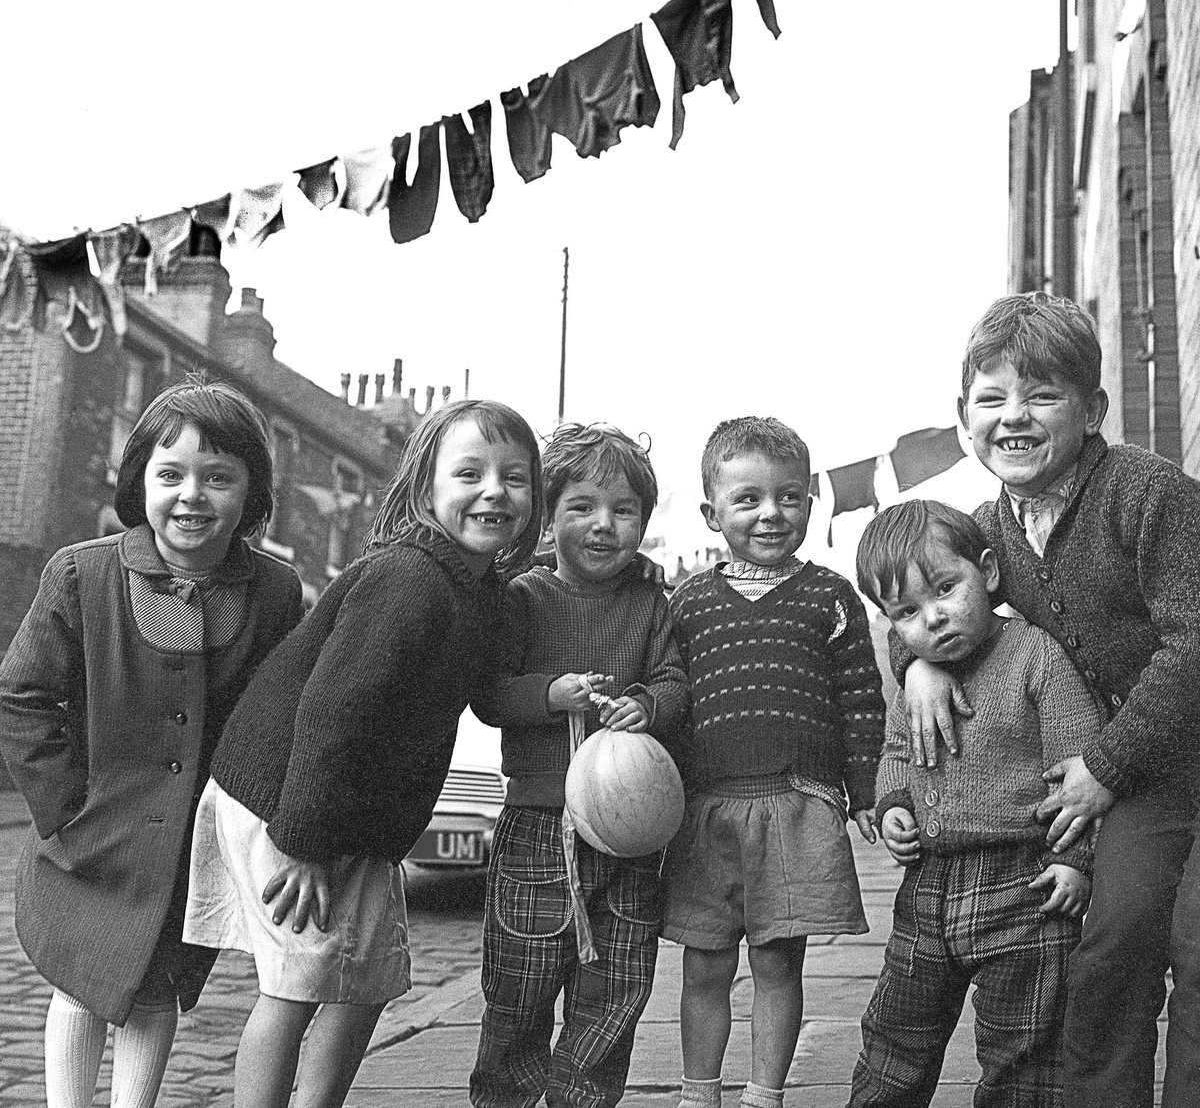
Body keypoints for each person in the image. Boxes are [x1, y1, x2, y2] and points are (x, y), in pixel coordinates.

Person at [181, 399, 542, 1108]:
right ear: (425, 489)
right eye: (469, 473)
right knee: (296, 987)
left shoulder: (476, 592)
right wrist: (304, 844)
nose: (494, 490)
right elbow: (335, 713)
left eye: (515, 477)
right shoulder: (409, 579)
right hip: (288, 799)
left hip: (346, 815)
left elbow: (491, 689)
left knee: (368, 978)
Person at [900, 291, 1200, 1108]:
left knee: (1198, 946)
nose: (1014, 417)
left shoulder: (1147, 492)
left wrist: (1104, 764)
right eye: (991, 399)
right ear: (964, 418)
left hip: (1149, 758)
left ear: (1092, 410)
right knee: (1110, 942)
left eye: (1041, 395)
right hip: (1146, 782)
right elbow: (923, 602)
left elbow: (1193, 642)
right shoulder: (986, 531)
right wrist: (917, 665)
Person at [0, 374, 304, 1108]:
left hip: (192, 843)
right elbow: (22, 694)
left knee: (156, 987)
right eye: (171, 475)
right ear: (141, 483)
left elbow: (278, 713)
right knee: (82, 979)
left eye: (218, 477)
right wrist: (64, 806)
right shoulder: (83, 573)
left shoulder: (273, 592)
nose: (192, 495)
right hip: (90, 832)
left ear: (251, 494)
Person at [662, 416, 885, 1108]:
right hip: (707, 812)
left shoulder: (830, 597)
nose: (771, 513)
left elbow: (861, 699)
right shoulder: (688, 603)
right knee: (704, 964)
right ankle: (698, 1093)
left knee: (778, 961)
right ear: (712, 513)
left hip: (798, 802)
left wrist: (866, 791)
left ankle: (765, 1095)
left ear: (810, 504)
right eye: (748, 499)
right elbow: (671, 699)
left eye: (790, 497)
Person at [849, 499, 1103, 1106]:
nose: (933, 618)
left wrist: (1075, 861)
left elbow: (1076, 768)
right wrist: (894, 806)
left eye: (945, 589)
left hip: (1026, 885)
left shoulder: (1035, 656)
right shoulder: (916, 677)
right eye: (907, 611)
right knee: (894, 1037)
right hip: (927, 885)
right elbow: (897, 749)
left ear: (987, 572)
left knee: (1024, 1049)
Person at [468, 421, 688, 1108]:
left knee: (617, 986)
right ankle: (505, 1097)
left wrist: (647, 704)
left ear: (643, 522)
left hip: (630, 832)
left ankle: (581, 1098)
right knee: (521, 985)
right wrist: (549, 695)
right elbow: (489, 694)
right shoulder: (522, 598)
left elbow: (676, 682)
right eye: (582, 507)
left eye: (624, 511)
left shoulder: (650, 603)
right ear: (548, 514)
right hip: (539, 822)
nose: (604, 525)